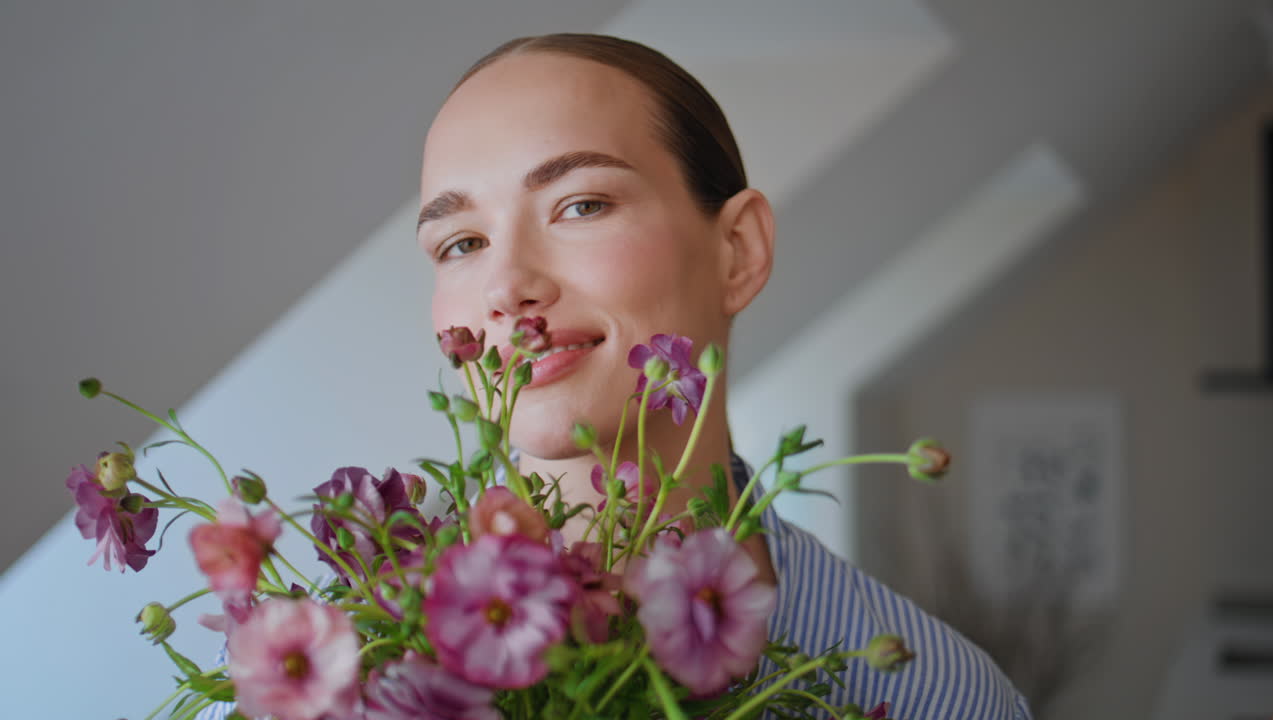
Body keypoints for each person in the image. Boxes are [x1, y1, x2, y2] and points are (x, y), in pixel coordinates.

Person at [203, 33, 1032, 719]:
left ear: (737, 251)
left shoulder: (933, 696)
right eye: (461, 244)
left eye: (580, 205)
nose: (506, 287)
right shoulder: (329, 665)